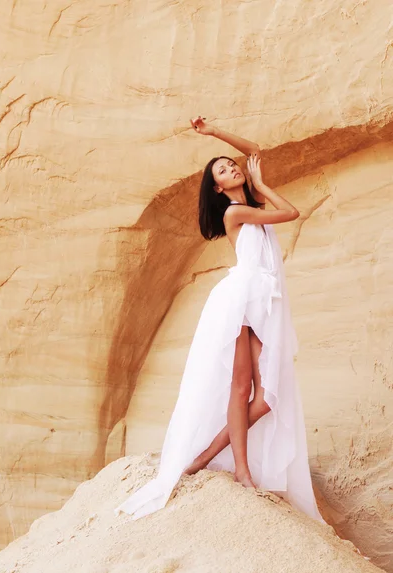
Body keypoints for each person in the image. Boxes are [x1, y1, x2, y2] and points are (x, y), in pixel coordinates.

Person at [114, 117, 324, 522]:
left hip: (258, 301)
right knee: (241, 387)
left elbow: (255, 149)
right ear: (217, 188)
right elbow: (292, 212)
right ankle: (241, 471)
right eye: (222, 170)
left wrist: (214, 135)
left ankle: (207, 454)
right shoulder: (236, 213)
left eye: (231, 164)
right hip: (240, 301)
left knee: (266, 396)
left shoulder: (247, 206)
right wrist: (262, 187)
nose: (232, 168)